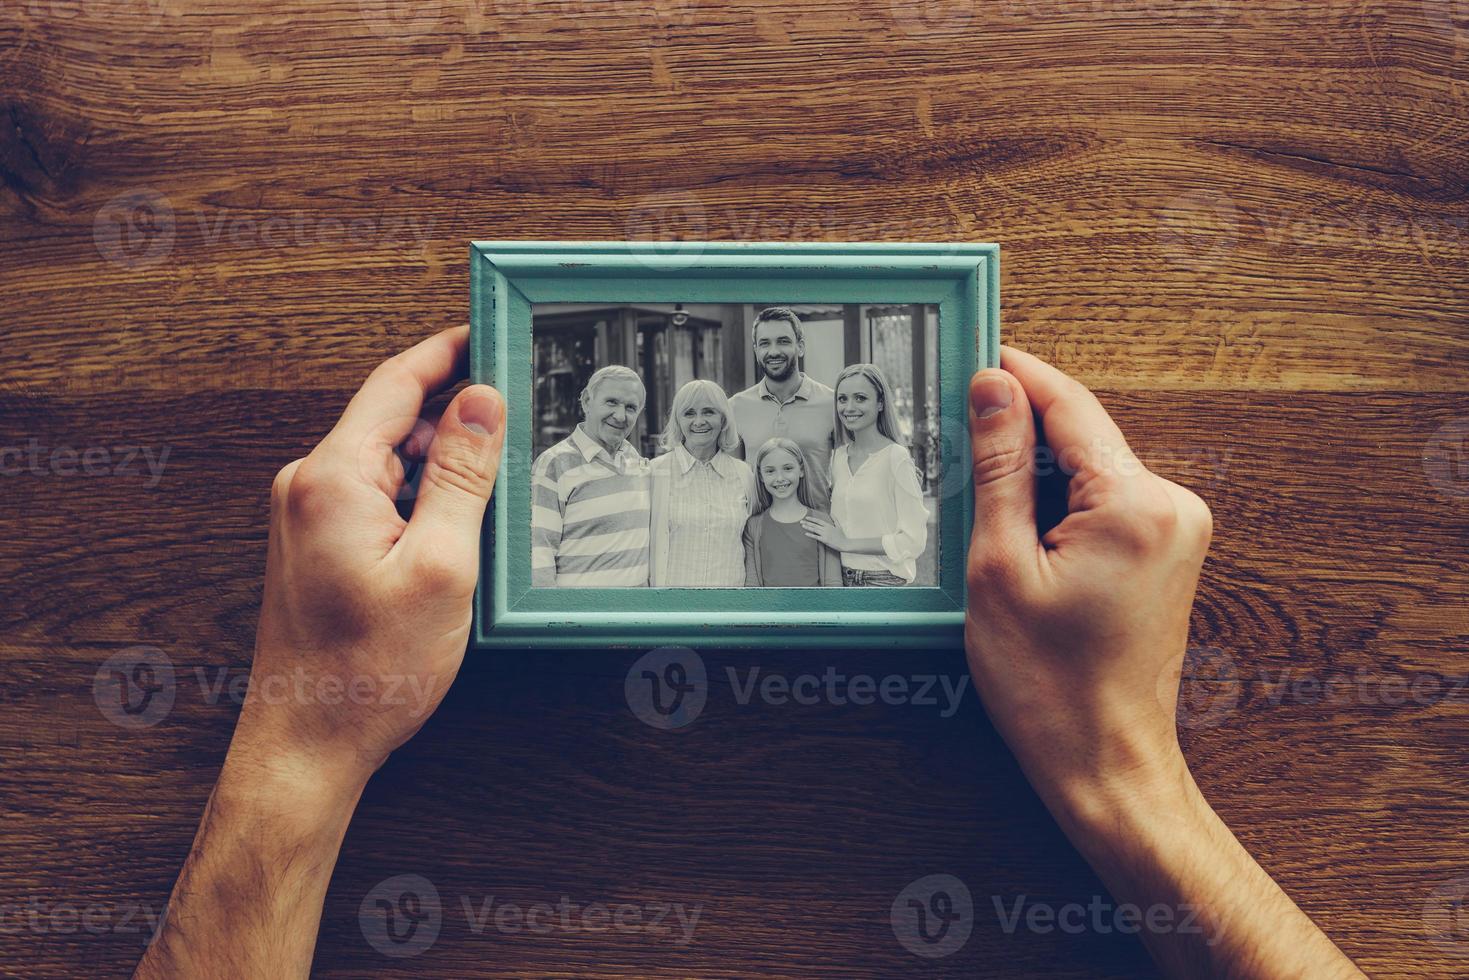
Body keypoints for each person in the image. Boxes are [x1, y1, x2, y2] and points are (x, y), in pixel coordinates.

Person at [134, 327, 1365, 980]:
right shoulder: (640, 464)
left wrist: (295, 732)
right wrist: (1123, 765)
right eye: (622, 405)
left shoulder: (782, 461)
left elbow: (842, 526)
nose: (781, 411)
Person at [804, 362, 928, 586]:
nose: (849, 407)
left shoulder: (896, 457)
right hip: (839, 579)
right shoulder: (838, 458)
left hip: (884, 580)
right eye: (842, 399)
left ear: (880, 403)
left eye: (860, 398)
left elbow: (913, 540)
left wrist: (845, 543)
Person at [530, 364, 650, 587]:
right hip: (580, 616)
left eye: (631, 407)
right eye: (611, 402)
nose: (620, 415)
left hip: (638, 615)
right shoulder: (554, 463)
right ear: (586, 401)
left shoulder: (636, 460)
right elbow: (538, 553)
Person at [648, 379, 755, 587]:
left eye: (708, 412)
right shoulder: (655, 472)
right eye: (689, 413)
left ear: (723, 419)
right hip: (673, 608)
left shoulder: (744, 474)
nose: (699, 421)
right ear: (677, 421)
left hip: (730, 608)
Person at [728, 307, 836, 509]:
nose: (774, 351)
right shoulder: (735, 407)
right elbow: (732, 481)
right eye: (765, 343)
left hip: (818, 531)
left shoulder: (831, 403)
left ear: (800, 346)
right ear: (756, 350)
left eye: (783, 341)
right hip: (757, 531)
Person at [743, 437, 842, 587]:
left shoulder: (823, 522)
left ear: (801, 470)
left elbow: (833, 583)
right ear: (761, 476)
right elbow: (752, 585)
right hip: (770, 610)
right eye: (770, 471)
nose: (780, 478)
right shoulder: (753, 526)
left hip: (815, 609)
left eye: (788, 468)